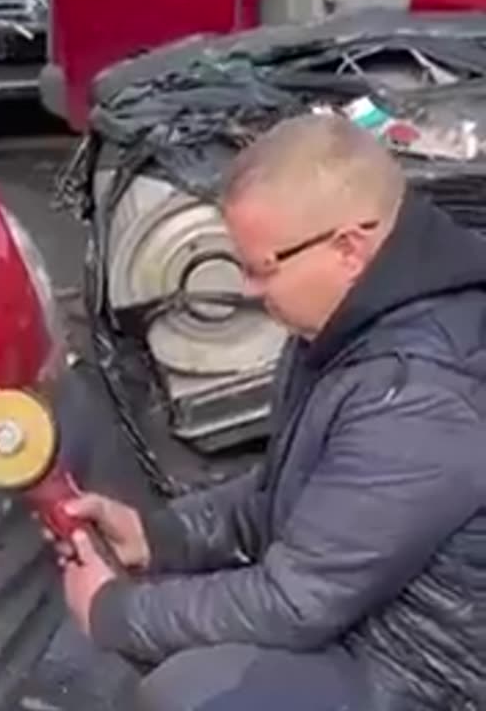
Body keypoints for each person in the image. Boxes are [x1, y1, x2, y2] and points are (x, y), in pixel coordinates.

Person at [56, 112, 486, 710]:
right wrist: (157, 537)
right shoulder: (345, 329)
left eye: (262, 268)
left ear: (348, 249)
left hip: (432, 676)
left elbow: (295, 603)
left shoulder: (420, 393)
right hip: (370, 622)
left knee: (190, 693)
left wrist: (112, 611)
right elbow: (290, 496)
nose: (251, 292)